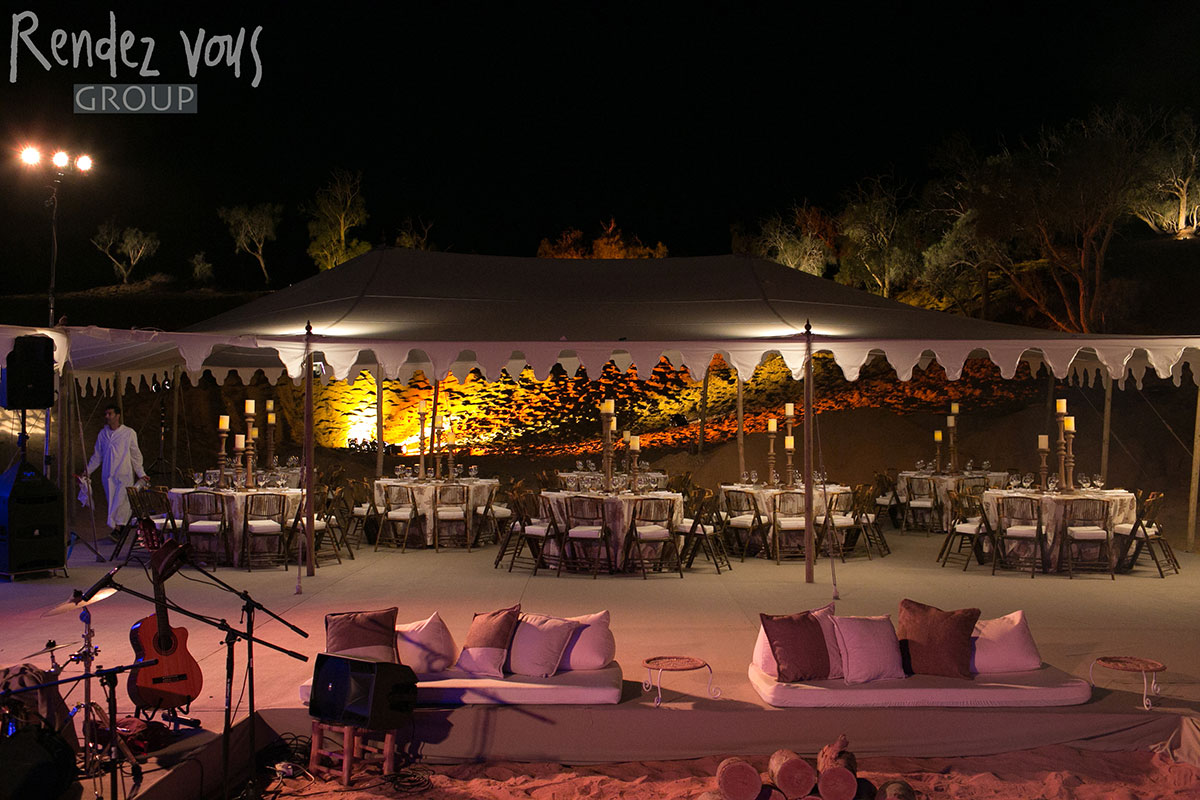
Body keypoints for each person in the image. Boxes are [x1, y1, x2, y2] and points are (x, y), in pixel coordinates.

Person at [83, 403, 148, 535]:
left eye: (110, 414)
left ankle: (119, 528)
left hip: (124, 474)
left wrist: (140, 472)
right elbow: (97, 456)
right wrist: (87, 471)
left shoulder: (128, 433)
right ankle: (119, 528)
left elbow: (135, 454)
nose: (107, 416)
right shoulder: (103, 434)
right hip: (108, 475)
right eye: (106, 414)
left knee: (121, 501)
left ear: (117, 416)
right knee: (112, 501)